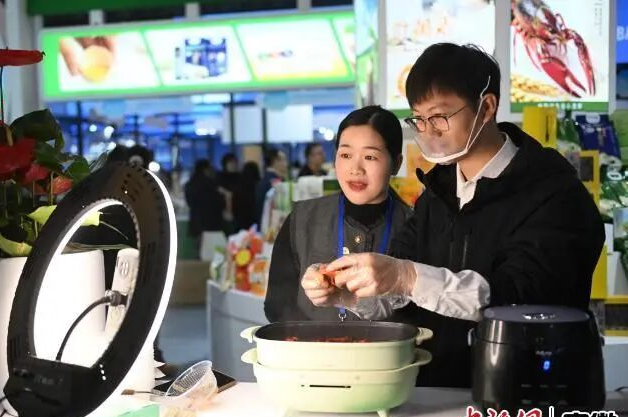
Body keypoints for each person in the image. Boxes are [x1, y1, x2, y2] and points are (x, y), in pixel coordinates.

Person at [303, 43, 605, 388]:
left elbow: (520, 299)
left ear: (486, 107)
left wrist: (406, 276)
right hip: (435, 392)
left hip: (524, 393)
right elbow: (402, 287)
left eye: (440, 117)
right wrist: (351, 293)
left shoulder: (553, 194)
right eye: (419, 119)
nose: (428, 131)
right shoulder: (438, 192)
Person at [266, 106, 411, 322]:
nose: (355, 169)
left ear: (396, 164)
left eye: (370, 157)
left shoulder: (415, 227)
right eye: (345, 155)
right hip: (313, 344)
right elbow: (277, 305)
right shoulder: (301, 220)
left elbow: (422, 315)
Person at [184, 159, 225, 256]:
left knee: (199, 249)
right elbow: (219, 203)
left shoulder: (190, 184)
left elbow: (189, 202)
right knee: (213, 252)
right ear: (205, 169)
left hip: (196, 222)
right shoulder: (211, 184)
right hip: (211, 222)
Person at [255, 148, 288, 227]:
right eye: (284, 160)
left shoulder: (263, 181)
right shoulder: (275, 183)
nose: (286, 164)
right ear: (276, 161)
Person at [232, 161, 261, 231]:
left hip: (241, 222)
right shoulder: (258, 186)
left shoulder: (238, 186)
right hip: (255, 222)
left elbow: (234, 207)